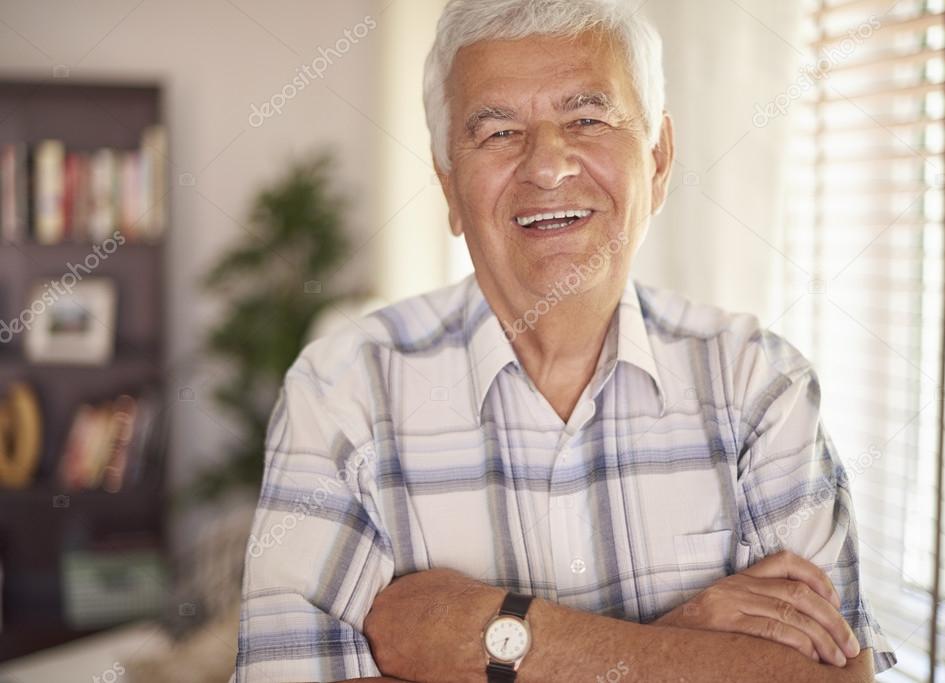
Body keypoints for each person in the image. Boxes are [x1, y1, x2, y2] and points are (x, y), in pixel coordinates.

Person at [234, 1, 896, 681]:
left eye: (586, 119)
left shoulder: (760, 385)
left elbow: (835, 678)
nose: (547, 166)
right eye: (497, 132)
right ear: (449, 188)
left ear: (659, 159)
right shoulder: (340, 390)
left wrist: (483, 635)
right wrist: (685, 645)